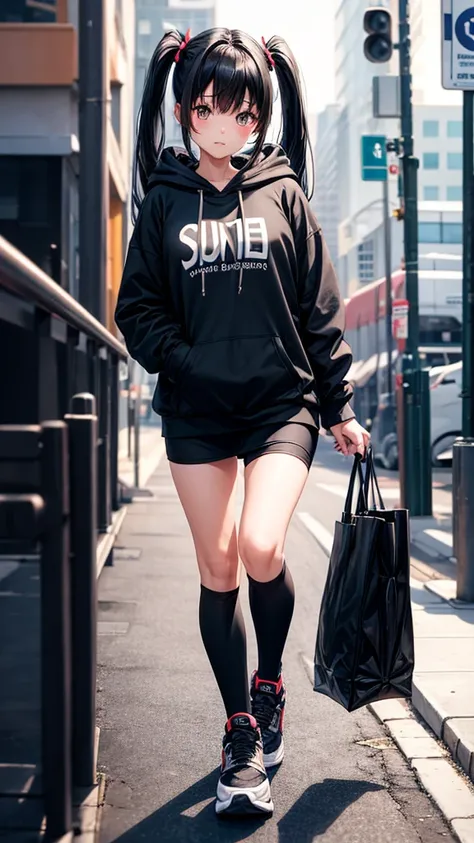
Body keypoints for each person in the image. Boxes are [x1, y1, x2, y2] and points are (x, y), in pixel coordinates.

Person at [115, 27, 370, 818]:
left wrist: (340, 409)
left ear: (259, 112)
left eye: (240, 106)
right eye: (209, 105)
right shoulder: (162, 200)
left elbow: (318, 311)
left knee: (262, 545)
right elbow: (137, 310)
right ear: (187, 108)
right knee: (218, 567)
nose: (224, 120)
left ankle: (271, 685)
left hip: (277, 406)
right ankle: (240, 734)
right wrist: (185, 363)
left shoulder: (283, 191)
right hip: (196, 412)